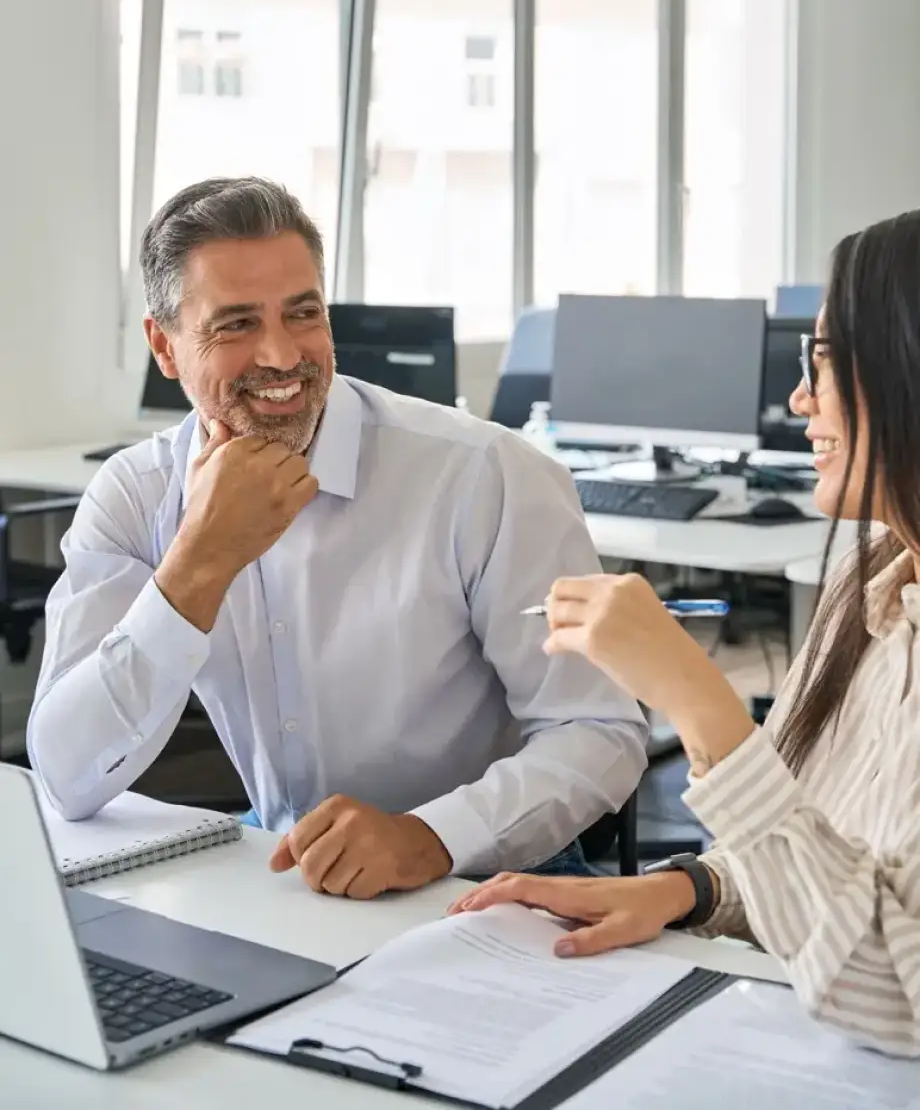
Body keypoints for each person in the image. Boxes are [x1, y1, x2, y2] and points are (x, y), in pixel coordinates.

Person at [29, 176, 646, 898]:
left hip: (490, 874)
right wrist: (200, 559)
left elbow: (600, 729)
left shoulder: (484, 473)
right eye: (235, 324)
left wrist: (429, 837)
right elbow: (66, 774)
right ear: (164, 346)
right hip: (287, 866)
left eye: (303, 313)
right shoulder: (135, 495)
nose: (284, 356)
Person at [453, 208, 920, 1055]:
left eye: (821, 361)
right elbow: (820, 858)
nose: (798, 399)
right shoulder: (869, 579)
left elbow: (892, 990)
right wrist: (686, 890)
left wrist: (698, 703)